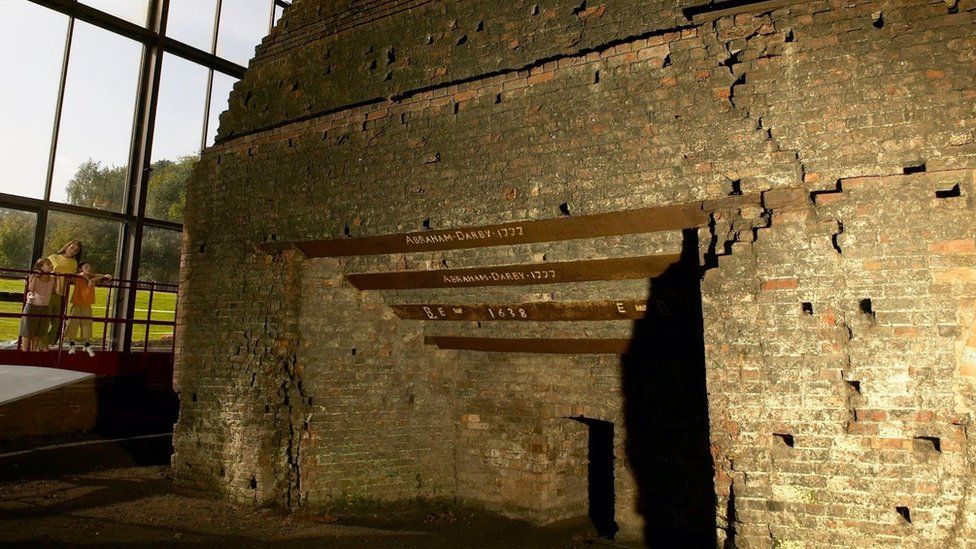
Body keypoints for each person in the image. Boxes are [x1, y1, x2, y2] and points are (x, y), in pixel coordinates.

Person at [65, 262, 111, 357]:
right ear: (81, 268)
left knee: (87, 324)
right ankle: (72, 345)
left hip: (86, 304)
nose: (89, 268)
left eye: (90, 267)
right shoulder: (80, 277)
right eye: (86, 267)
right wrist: (94, 279)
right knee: (74, 323)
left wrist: (101, 276)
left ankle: (86, 344)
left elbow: (94, 275)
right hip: (78, 303)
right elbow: (85, 290)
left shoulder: (89, 276)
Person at [43, 240, 82, 347]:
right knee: (45, 320)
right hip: (49, 291)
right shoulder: (53, 257)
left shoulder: (74, 263)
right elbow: (43, 270)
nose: (73, 250)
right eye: (71, 247)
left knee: (58, 322)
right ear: (66, 246)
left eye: (76, 250)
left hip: (63, 293)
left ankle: (49, 343)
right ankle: (40, 344)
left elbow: (74, 277)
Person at [19, 258, 55, 352]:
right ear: (41, 267)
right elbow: (31, 289)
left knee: (39, 331)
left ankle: (33, 352)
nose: (51, 265)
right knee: (28, 330)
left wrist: (58, 279)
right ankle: (24, 352)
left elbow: (57, 291)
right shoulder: (33, 276)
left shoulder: (52, 279)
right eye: (48, 264)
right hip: (32, 305)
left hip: (44, 307)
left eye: (51, 263)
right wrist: (35, 277)